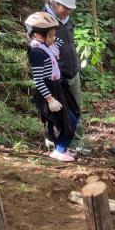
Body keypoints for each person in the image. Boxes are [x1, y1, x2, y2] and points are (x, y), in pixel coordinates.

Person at [25, 11, 80, 162]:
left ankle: (61, 148)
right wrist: (50, 99)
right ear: (37, 36)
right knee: (67, 120)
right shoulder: (37, 53)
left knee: (72, 115)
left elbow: (59, 43)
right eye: (50, 35)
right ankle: (59, 150)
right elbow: (38, 80)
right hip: (50, 90)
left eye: (53, 35)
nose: (53, 38)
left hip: (58, 86)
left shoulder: (46, 46)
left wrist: (59, 34)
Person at [43, 0, 89, 155]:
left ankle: (76, 143)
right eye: (65, 7)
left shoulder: (66, 20)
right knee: (56, 112)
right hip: (55, 76)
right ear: (53, 2)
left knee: (76, 109)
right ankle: (54, 144)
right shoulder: (43, 21)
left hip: (73, 72)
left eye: (71, 8)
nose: (69, 11)